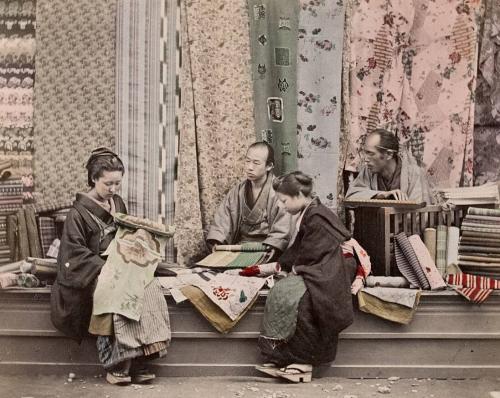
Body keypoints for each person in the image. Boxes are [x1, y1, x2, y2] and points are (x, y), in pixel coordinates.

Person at [50, 148, 170, 386]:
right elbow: (73, 254)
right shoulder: (78, 214)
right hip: (94, 270)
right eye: (108, 184)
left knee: (148, 285)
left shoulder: (117, 203)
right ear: (94, 178)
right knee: (117, 290)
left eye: (117, 183)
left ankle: (141, 358)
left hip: (121, 264)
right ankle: (117, 364)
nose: (113, 190)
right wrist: (106, 266)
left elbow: (126, 235)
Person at [256, 171, 354, 383]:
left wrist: (295, 268)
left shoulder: (317, 216)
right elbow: (301, 249)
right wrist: (282, 265)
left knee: (303, 300)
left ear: (299, 194)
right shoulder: (309, 213)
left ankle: (304, 363)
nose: (281, 207)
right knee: (283, 291)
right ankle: (281, 358)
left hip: (330, 269)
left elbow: (314, 251)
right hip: (319, 266)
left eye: (283, 201)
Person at [206, 141, 293, 259]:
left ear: (269, 166)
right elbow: (223, 221)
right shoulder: (237, 192)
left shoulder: (278, 193)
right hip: (239, 249)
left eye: (256, 163)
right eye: (247, 161)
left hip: (265, 249)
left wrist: (273, 247)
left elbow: (283, 228)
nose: (249, 167)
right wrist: (217, 241)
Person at [345, 129, 433, 203]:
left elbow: (421, 214)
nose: (365, 159)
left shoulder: (414, 173)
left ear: (389, 154)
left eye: (371, 153)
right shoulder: (368, 171)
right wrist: (381, 195)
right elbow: (351, 196)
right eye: (365, 153)